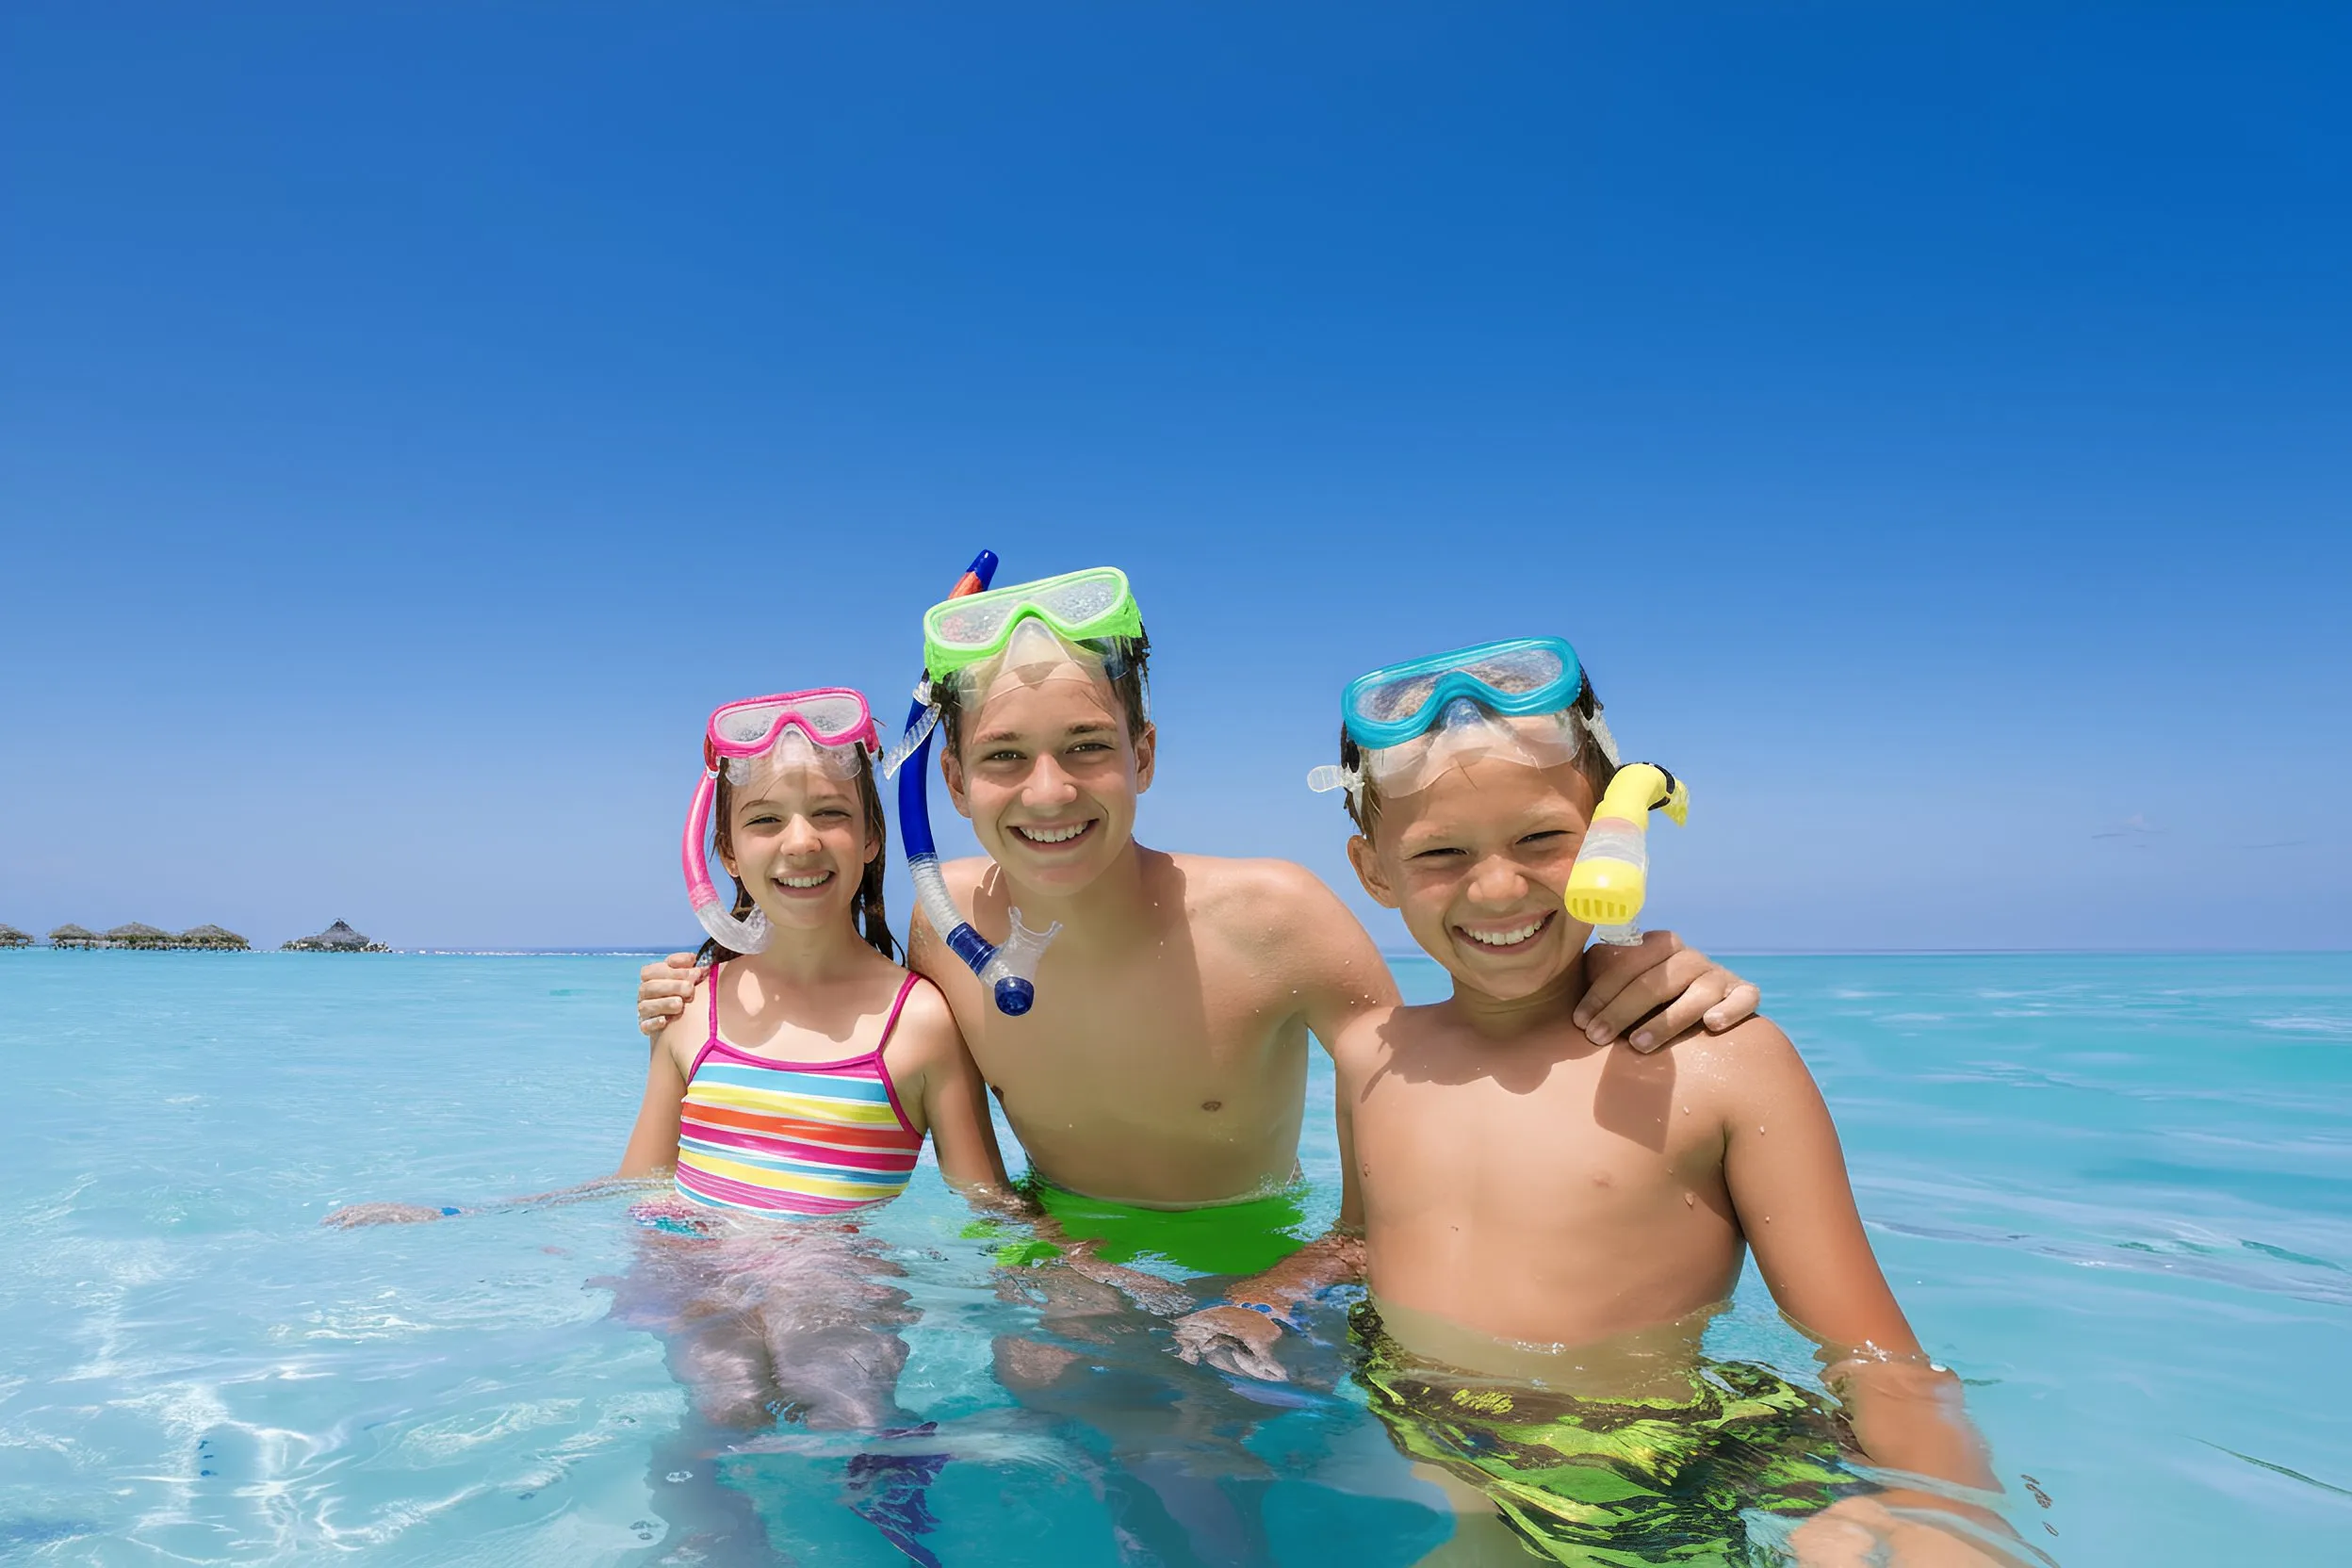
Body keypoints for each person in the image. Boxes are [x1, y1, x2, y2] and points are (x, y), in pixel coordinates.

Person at [1180, 638, 2022, 1566]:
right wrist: (1271, 1294)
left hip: (1644, 1476)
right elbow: (1363, 1236)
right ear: (1373, 870)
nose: (1498, 886)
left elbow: (1877, 1360)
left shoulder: (1721, 1063)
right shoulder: (1373, 1056)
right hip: (1461, 1473)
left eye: (1542, 838)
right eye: (1441, 852)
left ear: (1612, 832)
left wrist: (1952, 1519)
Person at [331, 689, 1007, 1567]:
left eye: (832, 814)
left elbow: (985, 1201)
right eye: (765, 820)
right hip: (694, 1260)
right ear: (724, 847)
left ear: (872, 837)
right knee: (722, 1412)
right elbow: (641, 1183)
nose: (800, 843)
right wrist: (462, 1216)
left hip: (833, 1277)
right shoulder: (693, 1010)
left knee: (846, 1409)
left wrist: (1099, 1283)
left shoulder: (917, 1020)